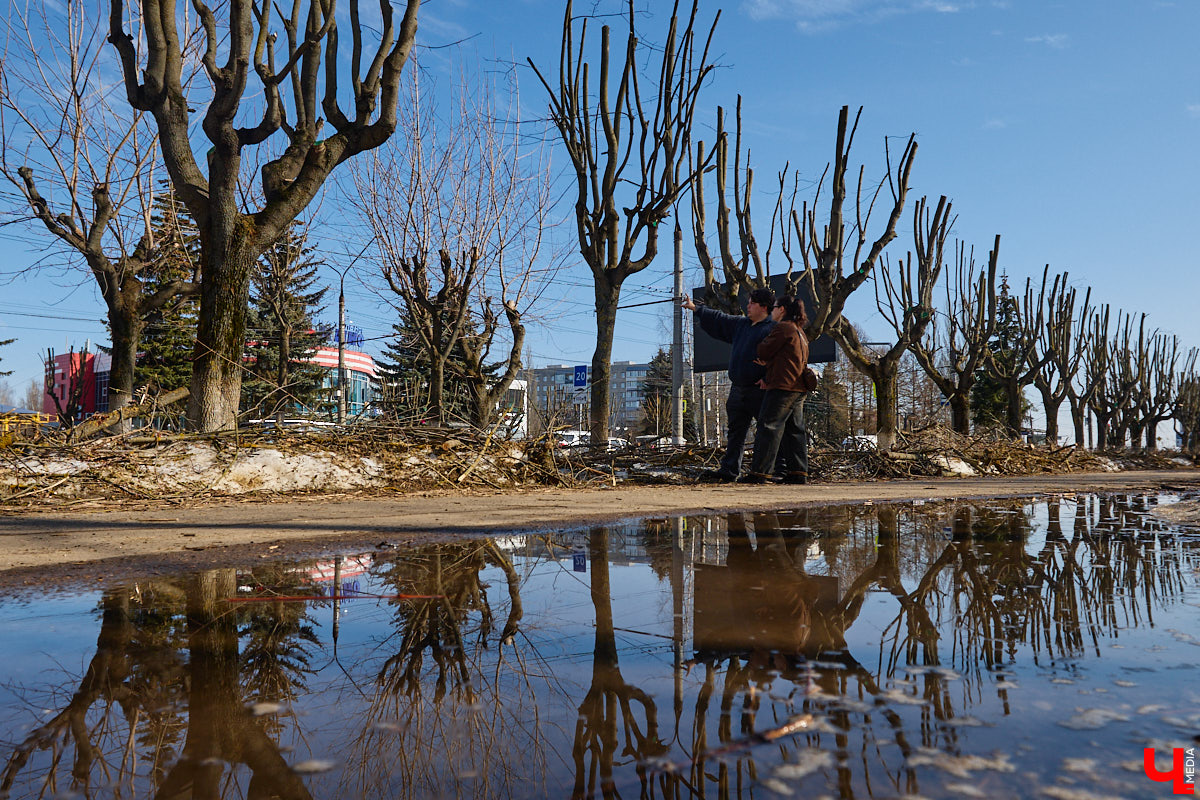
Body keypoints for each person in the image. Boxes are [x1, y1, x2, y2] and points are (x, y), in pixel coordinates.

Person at [682, 287, 776, 482]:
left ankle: (765, 471)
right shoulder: (742, 324)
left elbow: (783, 358)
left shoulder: (773, 330)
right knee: (735, 432)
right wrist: (696, 308)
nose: (747, 306)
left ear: (764, 307)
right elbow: (721, 319)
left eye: (752, 303)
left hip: (760, 389)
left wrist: (768, 378)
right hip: (738, 388)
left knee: (767, 432)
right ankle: (729, 470)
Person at [742, 295, 810, 484]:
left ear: (782, 310)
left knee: (768, 427)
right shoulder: (799, 331)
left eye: (775, 307)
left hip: (782, 386)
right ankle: (798, 473)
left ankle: (760, 473)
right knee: (794, 431)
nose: (772, 311)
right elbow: (788, 358)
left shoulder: (783, 327)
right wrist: (771, 361)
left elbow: (763, 350)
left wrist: (764, 355)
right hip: (798, 387)